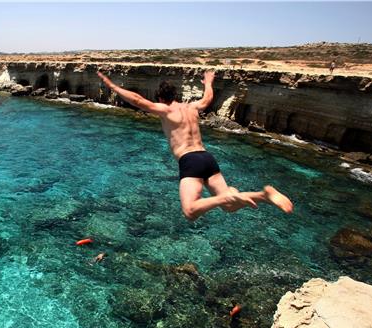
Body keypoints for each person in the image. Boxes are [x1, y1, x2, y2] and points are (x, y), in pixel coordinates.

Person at [97, 70, 293, 221]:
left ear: (160, 98)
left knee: (190, 210)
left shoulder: (165, 110)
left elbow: (138, 100)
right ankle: (264, 195)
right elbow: (208, 98)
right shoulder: (192, 107)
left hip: (190, 160)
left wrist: (112, 86)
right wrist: (208, 82)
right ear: (175, 95)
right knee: (229, 208)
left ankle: (226, 197)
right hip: (207, 158)